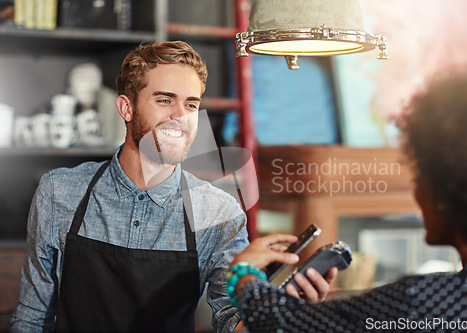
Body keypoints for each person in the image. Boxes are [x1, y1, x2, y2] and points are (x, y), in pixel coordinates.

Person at [10, 41, 334, 333]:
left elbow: (232, 323)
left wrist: (278, 311)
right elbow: (32, 316)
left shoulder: (218, 212)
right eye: (165, 100)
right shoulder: (60, 192)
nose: (181, 115)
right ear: (127, 108)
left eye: (191, 104)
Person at [227, 72, 467, 332]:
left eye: (421, 176)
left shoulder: (426, 303)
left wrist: (244, 273)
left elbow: (276, 319)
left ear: (450, 191)